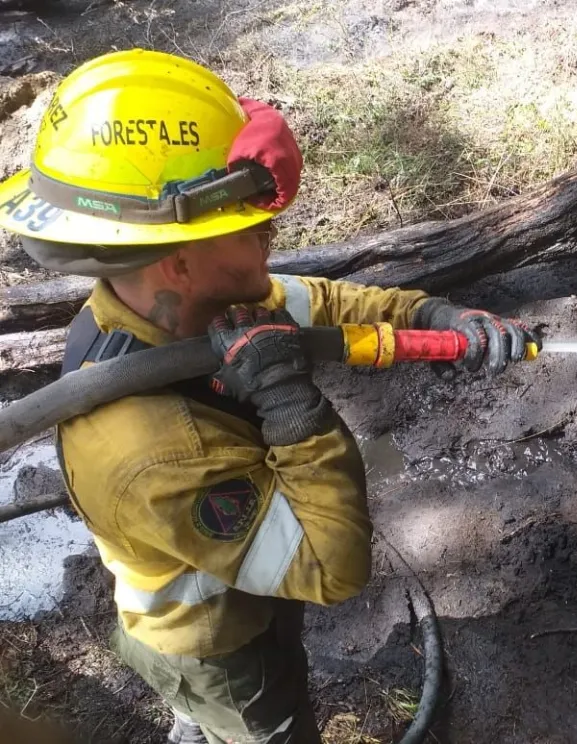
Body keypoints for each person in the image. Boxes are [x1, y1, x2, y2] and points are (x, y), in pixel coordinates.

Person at [0, 49, 539, 744]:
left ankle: (192, 724)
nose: (272, 234)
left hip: (212, 576)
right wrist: (291, 407)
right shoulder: (148, 448)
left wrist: (432, 317)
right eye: (253, 226)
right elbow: (332, 564)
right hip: (218, 647)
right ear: (180, 260)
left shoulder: (178, 303)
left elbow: (318, 301)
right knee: (264, 725)